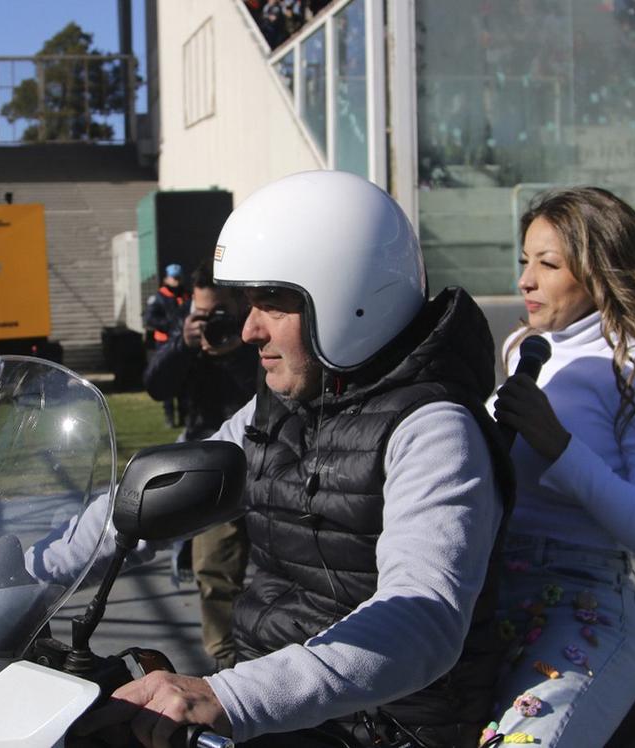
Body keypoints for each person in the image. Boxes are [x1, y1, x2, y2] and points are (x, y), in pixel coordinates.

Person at [74, 170, 515, 747]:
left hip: (384, 727)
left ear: (351, 298)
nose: (250, 328)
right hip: (277, 710)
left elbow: (424, 617)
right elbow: (157, 493)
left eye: (274, 303)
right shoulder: (279, 404)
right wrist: (20, 576)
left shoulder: (434, 429)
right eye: (247, 303)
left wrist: (228, 696)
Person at [488, 187, 635, 746]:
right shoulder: (524, 346)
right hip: (490, 590)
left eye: (548, 264)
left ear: (600, 272)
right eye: (525, 261)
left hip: (583, 596)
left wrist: (560, 447)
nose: (526, 280)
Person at [143, 261, 258, 671]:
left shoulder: (255, 339)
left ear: (240, 306)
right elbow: (156, 385)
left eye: (220, 315)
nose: (213, 325)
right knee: (214, 573)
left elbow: (266, 394)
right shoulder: (189, 342)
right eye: (203, 315)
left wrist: (235, 352)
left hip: (262, 465)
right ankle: (226, 665)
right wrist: (183, 344)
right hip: (212, 471)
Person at [143, 263, 190, 427]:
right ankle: (169, 417)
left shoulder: (185, 295)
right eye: (173, 278)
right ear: (166, 279)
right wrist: (170, 325)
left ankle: (184, 417)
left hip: (182, 343)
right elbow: (149, 319)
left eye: (178, 278)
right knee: (168, 378)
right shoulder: (159, 297)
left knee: (184, 381)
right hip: (164, 343)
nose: (176, 281)